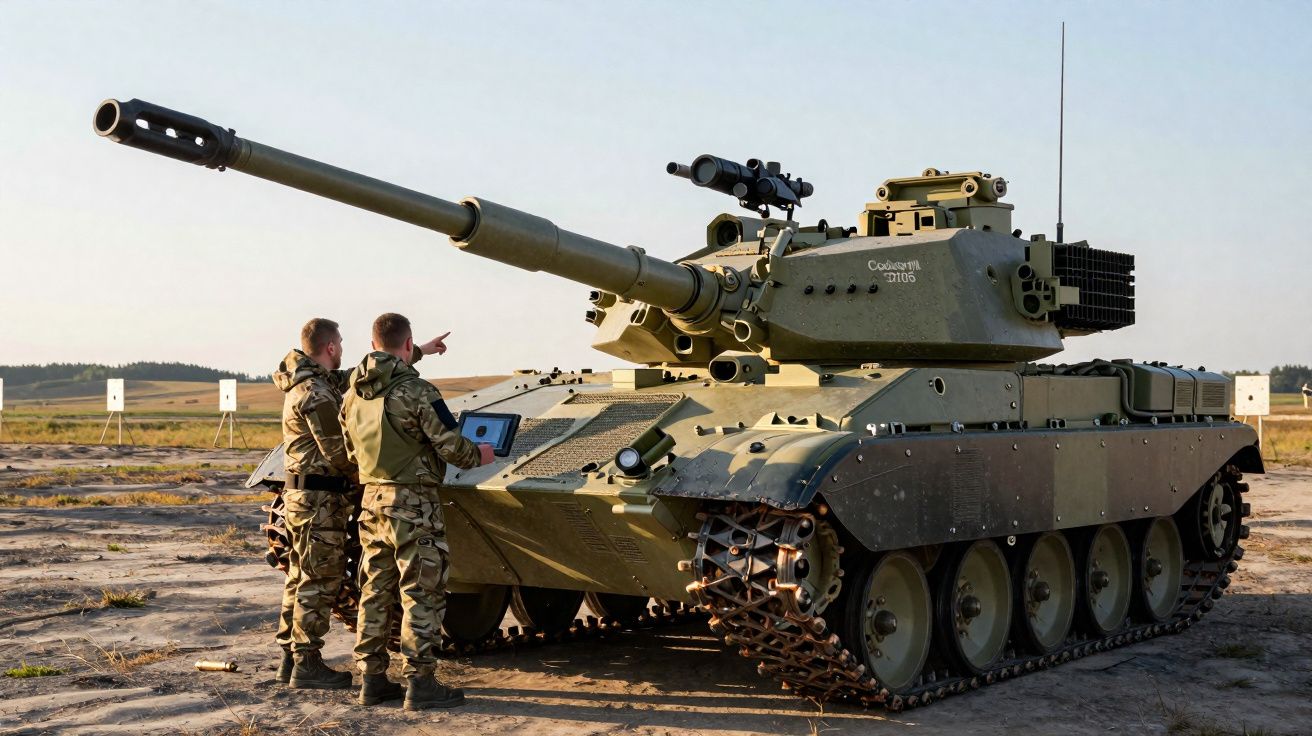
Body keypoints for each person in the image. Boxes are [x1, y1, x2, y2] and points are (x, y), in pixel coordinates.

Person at [272, 317, 448, 690]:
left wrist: (419, 351)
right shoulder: (316, 393)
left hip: (306, 496)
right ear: (331, 347)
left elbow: (364, 372)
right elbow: (338, 453)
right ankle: (306, 663)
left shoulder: (311, 381)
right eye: (340, 343)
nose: (344, 351)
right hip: (320, 498)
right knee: (318, 580)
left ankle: (291, 658)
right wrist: (379, 477)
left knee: (300, 576)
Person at [340, 312, 494, 710]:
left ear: (374, 344)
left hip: (373, 502)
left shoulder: (352, 394)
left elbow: (350, 450)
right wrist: (481, 453)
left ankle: (372, 680)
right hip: (415, 505)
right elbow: (452, 446)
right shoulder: (417, 391)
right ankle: (420, 682)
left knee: (374, 590)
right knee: (421, 591)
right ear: (407, 344)